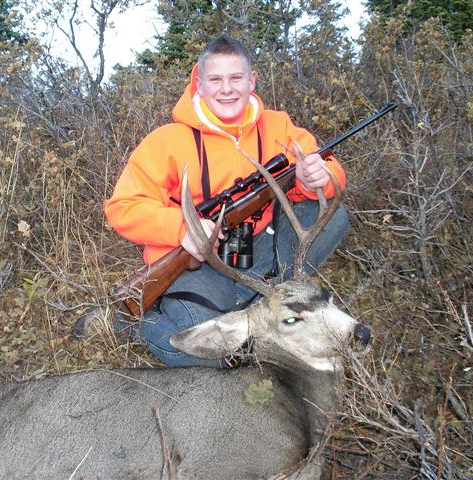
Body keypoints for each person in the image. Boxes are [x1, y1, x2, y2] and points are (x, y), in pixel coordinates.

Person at [102, 34, 348, 367]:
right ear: (199, 85)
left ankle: (258, 303)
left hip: (259, 252)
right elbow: (123, 207)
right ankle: (134, 325)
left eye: (236, 78)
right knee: (218, 354)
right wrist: (182, 228)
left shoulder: (279, 126)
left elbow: (323, 164)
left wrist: (316, 179)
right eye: (215, 80)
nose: (227, 89)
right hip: (198, 263)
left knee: (333, 215)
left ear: (252, 80)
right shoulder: (166, 141)